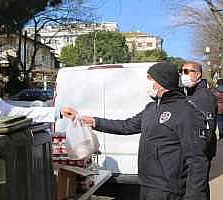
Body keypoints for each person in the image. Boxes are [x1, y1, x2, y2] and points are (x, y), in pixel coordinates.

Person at [62, 62, 210, 200]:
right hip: (147, 184)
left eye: (150, 78)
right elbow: (127, 126)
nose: (148, 83)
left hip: (169, 189)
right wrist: (95, 122)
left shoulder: (186, 112)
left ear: (162, 81)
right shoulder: (151, 108)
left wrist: (194, 196)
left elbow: (197, 160)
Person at [180, 61, 218, 161]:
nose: (183, 75)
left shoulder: (205, 96)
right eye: (181, 72)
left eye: (186, 71)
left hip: (198, 153)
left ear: (197, 75)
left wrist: (199, 152)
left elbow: (208, 127)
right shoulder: (189, 93)